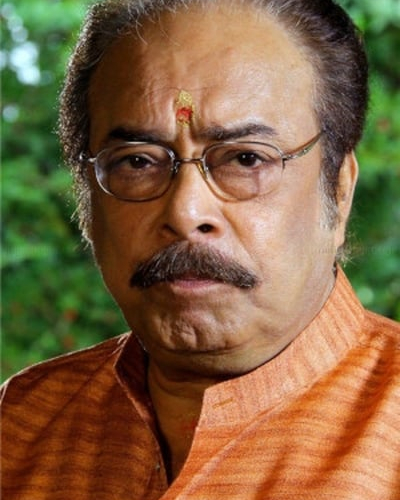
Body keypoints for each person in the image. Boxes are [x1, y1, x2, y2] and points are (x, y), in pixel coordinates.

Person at [1, 0, 399, 498]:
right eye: (138, 162)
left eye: (245, 159)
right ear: (86, 199)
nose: (186, 212)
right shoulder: (20, 428)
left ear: (338, 191)